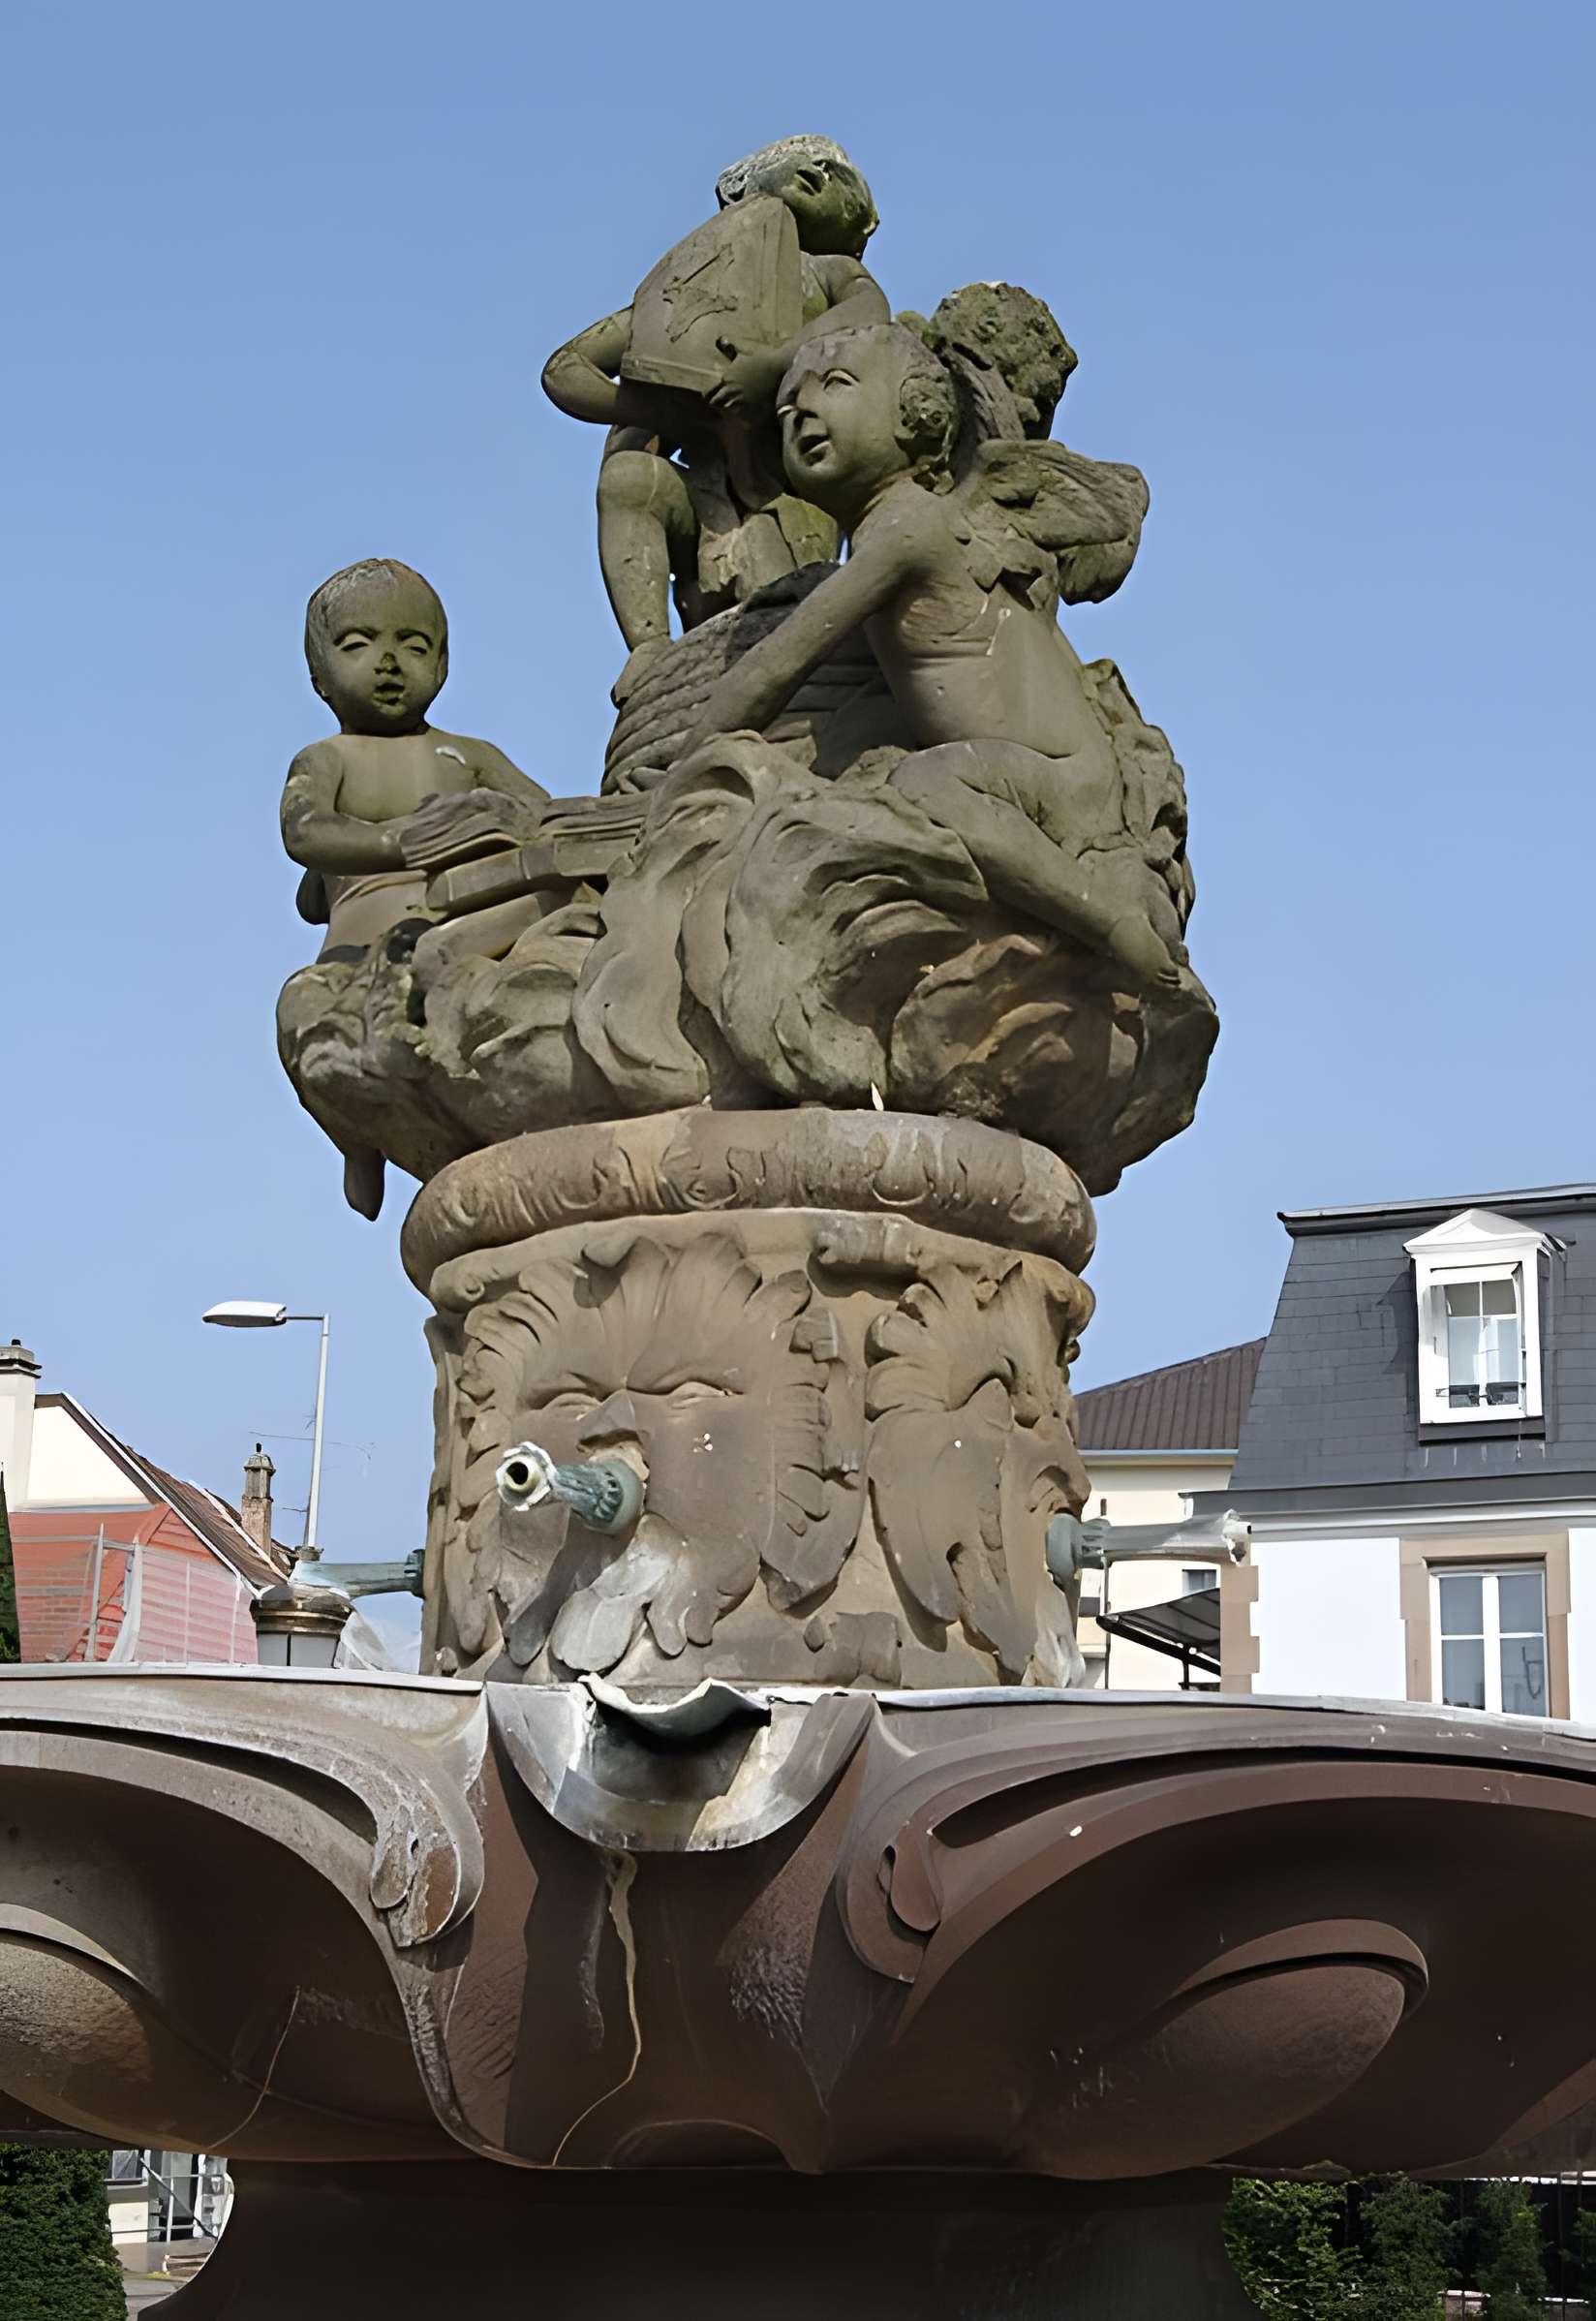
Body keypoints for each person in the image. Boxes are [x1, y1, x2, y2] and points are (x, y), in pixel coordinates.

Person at [675, 323, 1183, 994]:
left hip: (1059, 781)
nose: (804, 413)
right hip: (1040, 774)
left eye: (836, 385)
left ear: (917, 411)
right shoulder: (909, 528)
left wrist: (690, 757)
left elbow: (779, 661)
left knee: (923, 786)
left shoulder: (907, 527)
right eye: (787, 406)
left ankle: (1104, 921)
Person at [540, 136, 889, 675]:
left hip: (789, 478)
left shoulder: (824, 271)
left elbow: (870, 309)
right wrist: (661, 412)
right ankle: (649, 650)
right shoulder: (682, 290)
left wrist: (770, 367)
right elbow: (565, 369)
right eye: (811, 170)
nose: (821, 179)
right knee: (630, 479)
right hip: (701, 482)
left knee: (790, 612)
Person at [280, 557, 548, 1212]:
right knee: (296, 1020)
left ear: (444, 663)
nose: (389, 660)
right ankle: (357, 1141)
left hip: (458, 933)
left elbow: (544, 822)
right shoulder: (328, 759)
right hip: (349, 958)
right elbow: (303, 832)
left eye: (413, 644)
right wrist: (402, 841)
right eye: (359, 643)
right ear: (319, 675)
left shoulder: (469, 756)